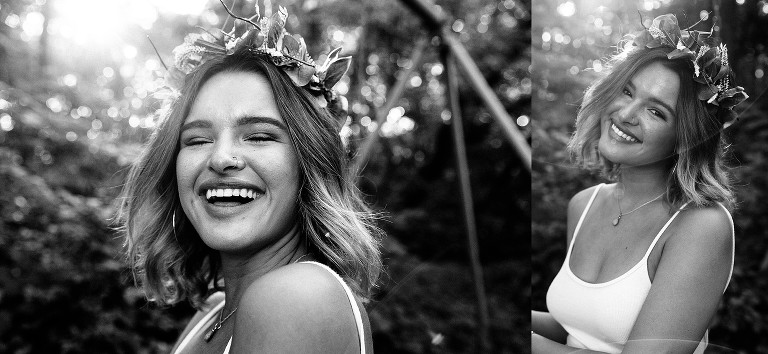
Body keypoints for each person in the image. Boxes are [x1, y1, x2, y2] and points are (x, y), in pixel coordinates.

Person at [118, 4, 381, 353]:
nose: (221, 158)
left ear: (310, 161)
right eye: (197, 139)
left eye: (259, 136)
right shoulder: (211, 313)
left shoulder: (296, 297)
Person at [532, 14, 748, 354]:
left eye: (656, 112)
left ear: (685, 139)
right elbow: (577, 327)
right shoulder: (583, 204)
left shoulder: (702, 226)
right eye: (627, 91)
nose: (626, 114)